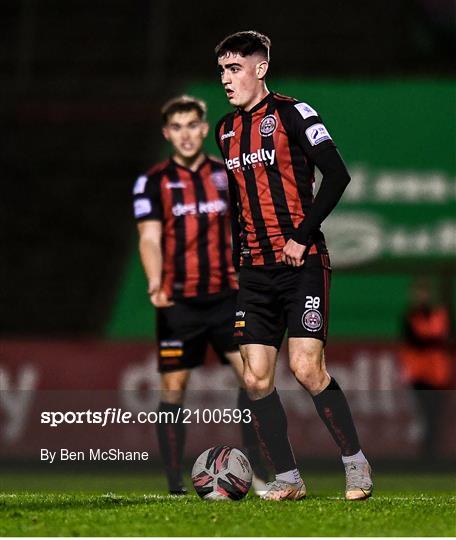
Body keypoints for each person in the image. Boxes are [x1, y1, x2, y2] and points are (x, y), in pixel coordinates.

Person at [214, 31, 373, 500]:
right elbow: (236, 204)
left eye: (235, 68)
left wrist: (302, 236)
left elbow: (338, 175)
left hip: (301, 263)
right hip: (255, 271)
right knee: (255, 378)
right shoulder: (224, 130)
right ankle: (288, 479)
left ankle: (356, 464)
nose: (226, 79)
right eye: (222, 70)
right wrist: (234, 260)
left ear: (260, 69)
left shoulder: (292, 113)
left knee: (306, 369)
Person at [133, 95, 269, 495]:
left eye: (192, 125)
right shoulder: (153, 182)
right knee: (173, 389)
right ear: (166, 133)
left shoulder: (228, 174)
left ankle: (258, 471)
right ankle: (175, 485)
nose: (186, 134)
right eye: (177, 127)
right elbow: (149, 238)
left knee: (254, 380)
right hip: (179, 303)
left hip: (228, 297)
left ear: (204, 128)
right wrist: (155, 281)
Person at [400, 278, 453, 459]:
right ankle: (426, 452)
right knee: (426, 412)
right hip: (419, 373)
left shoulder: (439, 315)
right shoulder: (410, 316)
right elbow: (416, 340)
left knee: (436, 413)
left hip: (438, 373)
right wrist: (437, 340)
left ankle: (431, 451)